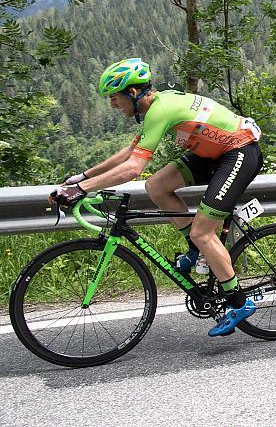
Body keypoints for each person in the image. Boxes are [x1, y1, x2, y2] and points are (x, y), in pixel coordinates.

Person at [49, 57, 263, 336]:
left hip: (239, 152)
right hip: (214, 155)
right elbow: (130, 152)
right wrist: (83, 177)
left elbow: (133, 168)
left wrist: (81, 191)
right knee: (156, 186)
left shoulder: (160, 109)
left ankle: (239, 302)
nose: (112, 104)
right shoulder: (156, 105)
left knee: (203, 232)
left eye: (114, 98)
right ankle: (198, 251)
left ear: (133, 93)